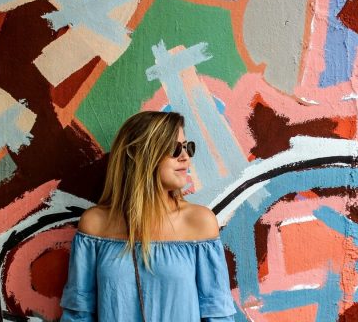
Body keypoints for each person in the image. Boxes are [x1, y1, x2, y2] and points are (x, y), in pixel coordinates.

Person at [60, 111, 236, 321]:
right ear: (139, 154)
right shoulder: (95, 225)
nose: (185, 156)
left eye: (187, 147)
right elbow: (78, 314)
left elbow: (218, 315)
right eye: (174, 148)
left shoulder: (199, 223)